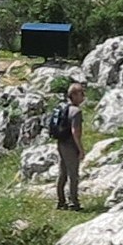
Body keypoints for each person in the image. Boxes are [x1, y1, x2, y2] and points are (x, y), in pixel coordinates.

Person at [54, 82, 86, 210]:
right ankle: (74, 202)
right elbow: (75, 132)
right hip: (70, 146)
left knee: (62, 174)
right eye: (81, 93)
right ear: (74, 95)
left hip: (61, 143)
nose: (83, 96)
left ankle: (61, 201)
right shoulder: (76, 111)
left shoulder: (63, 108)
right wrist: (80, 149)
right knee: (73, 175)